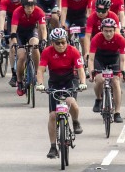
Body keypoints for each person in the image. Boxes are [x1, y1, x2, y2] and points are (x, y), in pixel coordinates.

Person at [36, 27, 87, 159]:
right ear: (52, 43)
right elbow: (41, 70)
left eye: (63, 42)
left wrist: (82, 82)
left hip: (70, 80)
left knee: (71, 102)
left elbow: (80, 69)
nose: (61, 45)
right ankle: (53, 146)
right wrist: (40, 84)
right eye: (57, 43)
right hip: (55, 82)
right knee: (53, 115)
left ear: (67, 41)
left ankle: (75, 121)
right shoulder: (47, 52)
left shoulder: (73, 51)